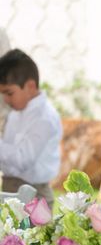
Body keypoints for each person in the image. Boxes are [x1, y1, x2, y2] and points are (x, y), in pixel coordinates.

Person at [0, 49, 62, 208]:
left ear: (30, 86)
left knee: (32, 234)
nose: (5, 100)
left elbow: (22, 159)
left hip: (35, 194)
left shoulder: (44, 118)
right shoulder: (16, 112)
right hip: (9, 186)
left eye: (9, 93)